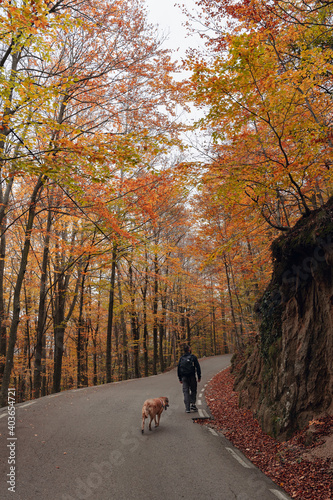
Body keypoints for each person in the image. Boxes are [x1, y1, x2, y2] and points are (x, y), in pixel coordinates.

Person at [177, 344, 201, 413]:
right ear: (189, 349)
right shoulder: (193, 357)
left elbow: (178, 369)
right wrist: (199, 376)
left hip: (184, 377)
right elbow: (198, 367)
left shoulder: (181, 358)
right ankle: (193, 404)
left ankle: (187, 408)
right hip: (192, 376)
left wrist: (180, 378)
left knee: (185, 392)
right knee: (193, 390)